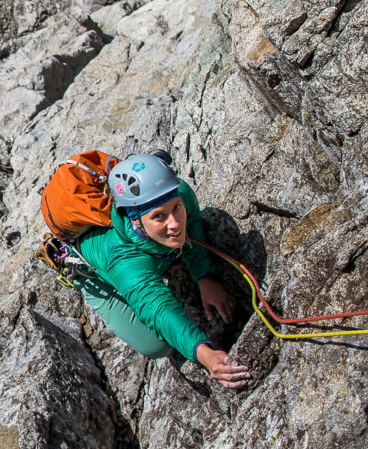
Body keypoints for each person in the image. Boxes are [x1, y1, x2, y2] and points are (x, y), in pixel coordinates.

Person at [72, 153, 251, 389]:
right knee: (155, 346)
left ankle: (159, 249)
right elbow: (157, 309)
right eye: (159, 216)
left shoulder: (177, 193)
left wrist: (204, 276)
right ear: (135, 221)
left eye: (176, 209)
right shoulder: (123, 259)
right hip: (99, 275)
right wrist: (204, 353)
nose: (175, 222)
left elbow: (193, 223)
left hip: (146, 253)